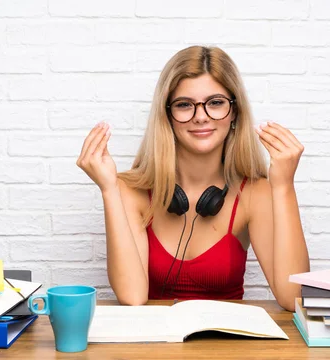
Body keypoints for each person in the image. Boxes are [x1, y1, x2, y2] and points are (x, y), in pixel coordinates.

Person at [76, 46, 309, 311]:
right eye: (184, 105)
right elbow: (133, 297)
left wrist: (284, 186)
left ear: (234, 112)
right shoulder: (130, 190)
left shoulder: (255, 192)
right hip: (152, 348)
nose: (200, 117)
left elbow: (293, 299)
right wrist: (108, 189)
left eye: (216, 103)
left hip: (228, 346)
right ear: (167, 116)